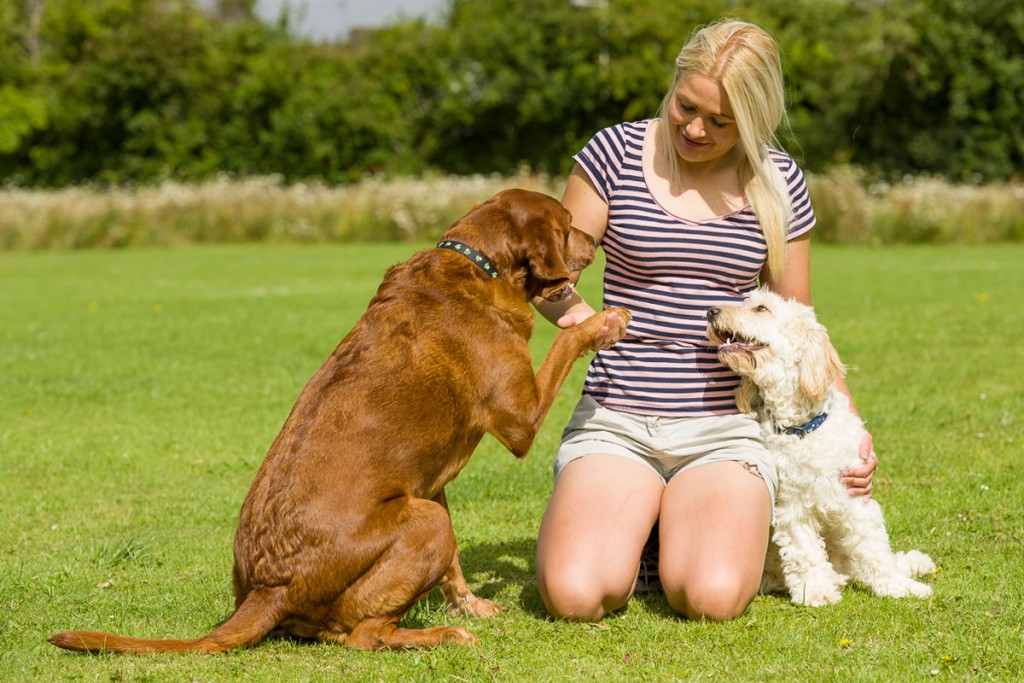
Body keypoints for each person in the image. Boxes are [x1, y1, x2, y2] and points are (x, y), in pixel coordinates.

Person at [532, 18, 877, 623]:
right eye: (685, 106)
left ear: (754, 120)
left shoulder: (779, 182)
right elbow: (548, 276)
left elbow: (798, 317)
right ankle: (642, 524)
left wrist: (847, 426)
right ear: (672, 85)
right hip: (617, 419)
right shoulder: (612, 153)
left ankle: (669, 528)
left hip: (727, 426)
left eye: (721, 123)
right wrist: (586, 321)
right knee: (576, 594)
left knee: (711, 597)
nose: (695, 129)